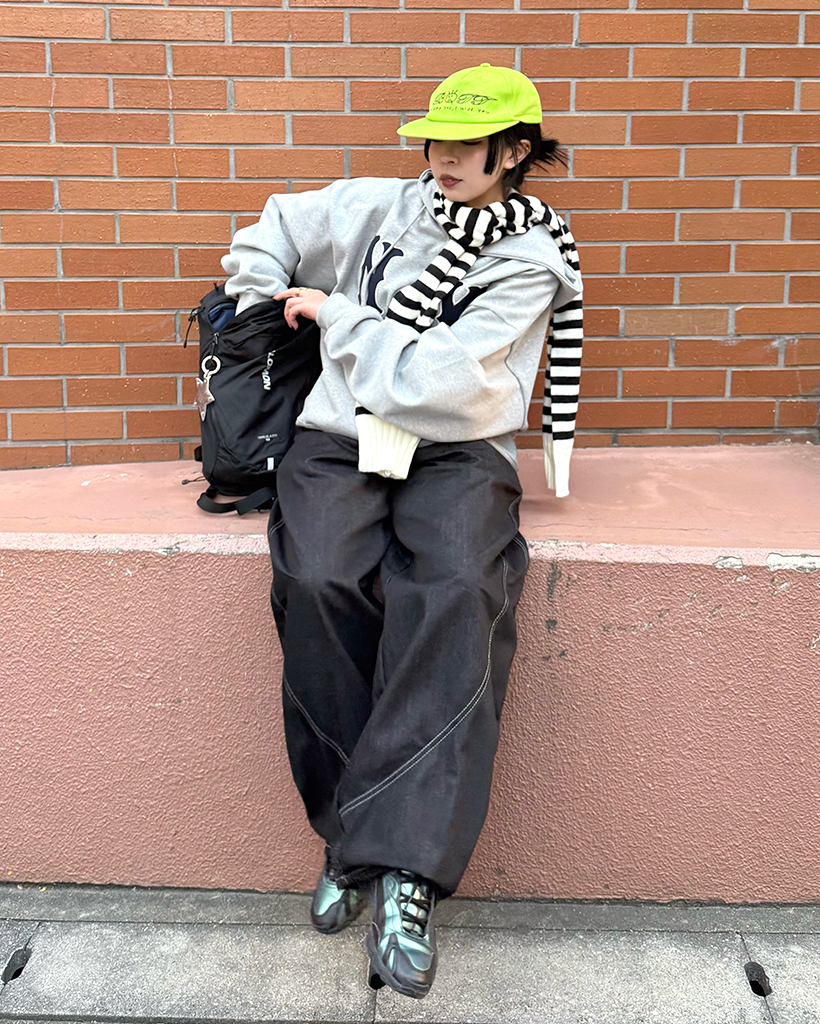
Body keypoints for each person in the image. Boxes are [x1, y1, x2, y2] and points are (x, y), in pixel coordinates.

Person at [221, 63, 583, 1000]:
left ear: (515, 151)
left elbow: (438, 383)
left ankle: (404, 871)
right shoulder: (384, 205)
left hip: (458, 448)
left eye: (467, 145)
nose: (444, 159)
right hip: (341, 433)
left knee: (458, 589)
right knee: (317, 578)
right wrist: (263, 296)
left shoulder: (530, 261)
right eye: (435, 141)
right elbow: (277, 225)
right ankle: (355, 835)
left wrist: (335, 313)